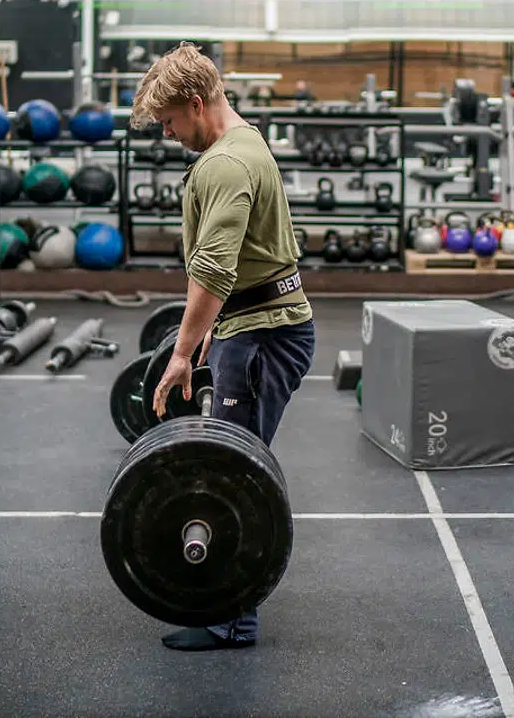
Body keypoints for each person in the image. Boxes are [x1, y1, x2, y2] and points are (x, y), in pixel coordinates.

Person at [133, 42, 316, 652]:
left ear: (194, 103)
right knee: (233, 469)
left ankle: (232, 621)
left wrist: (182, 352)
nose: (169, 133)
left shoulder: (224, 165)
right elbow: (238, 267)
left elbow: (212, 267)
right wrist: (212, 328)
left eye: (169, 123)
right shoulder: (243, 142)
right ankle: (228, 611)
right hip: (257, 324)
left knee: (235, 478)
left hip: (265, 335)